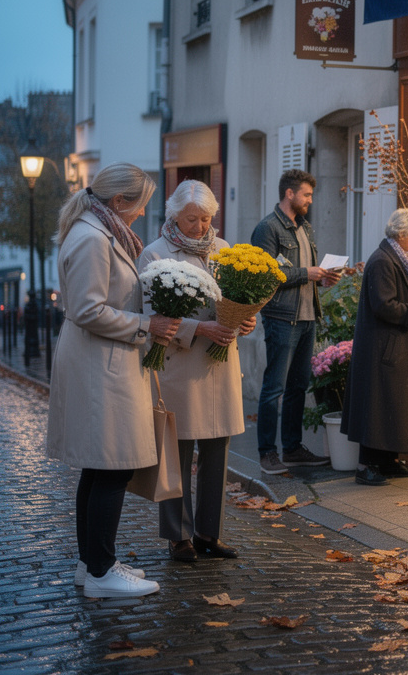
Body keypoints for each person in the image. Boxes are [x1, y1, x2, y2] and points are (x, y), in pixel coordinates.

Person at [47, 162, 180, 599]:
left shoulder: (99, 231)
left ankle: (93, 564)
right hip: (99, 364)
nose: (142, 214)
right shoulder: (91, 237)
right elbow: (87, 309)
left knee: (101, 464)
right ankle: (102, 572)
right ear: (118, 201)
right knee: (113, 465)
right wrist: (147, 325)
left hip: (102, 362)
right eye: (138, 205)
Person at [138, 180, 255, 564]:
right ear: (174, 214)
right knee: (177, 452)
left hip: (220, 365)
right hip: (181, 367)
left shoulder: (223, 251)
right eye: (192, 219)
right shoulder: (155, 254)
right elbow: (153, 317)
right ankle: (179, 536)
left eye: (206, 218)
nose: (200, 227)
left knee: (217, 453)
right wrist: (200, 328)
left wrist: (245, 320)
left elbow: (236, 299)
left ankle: (209, 533)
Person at [340, 209, 408, 486]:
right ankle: (366, 467)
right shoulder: (383, 261)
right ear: (401, 235)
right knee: (377, 405)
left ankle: (388, 461)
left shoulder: (395, 258)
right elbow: (383, 305)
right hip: (382, 346)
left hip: (392, 343)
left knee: (392, 403)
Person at [251, 169, 338, 475]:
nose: (310, 201)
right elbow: (264, 274)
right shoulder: (268, 228)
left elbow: (308, 271)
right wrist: (308, 274)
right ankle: (266, 453)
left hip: (307, 317)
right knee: (274, 388)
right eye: (307, 195)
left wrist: (323, 278)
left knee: (298, 387)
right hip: (281, 318)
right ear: (289, 193)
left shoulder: (305, 228)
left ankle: (292, 449)